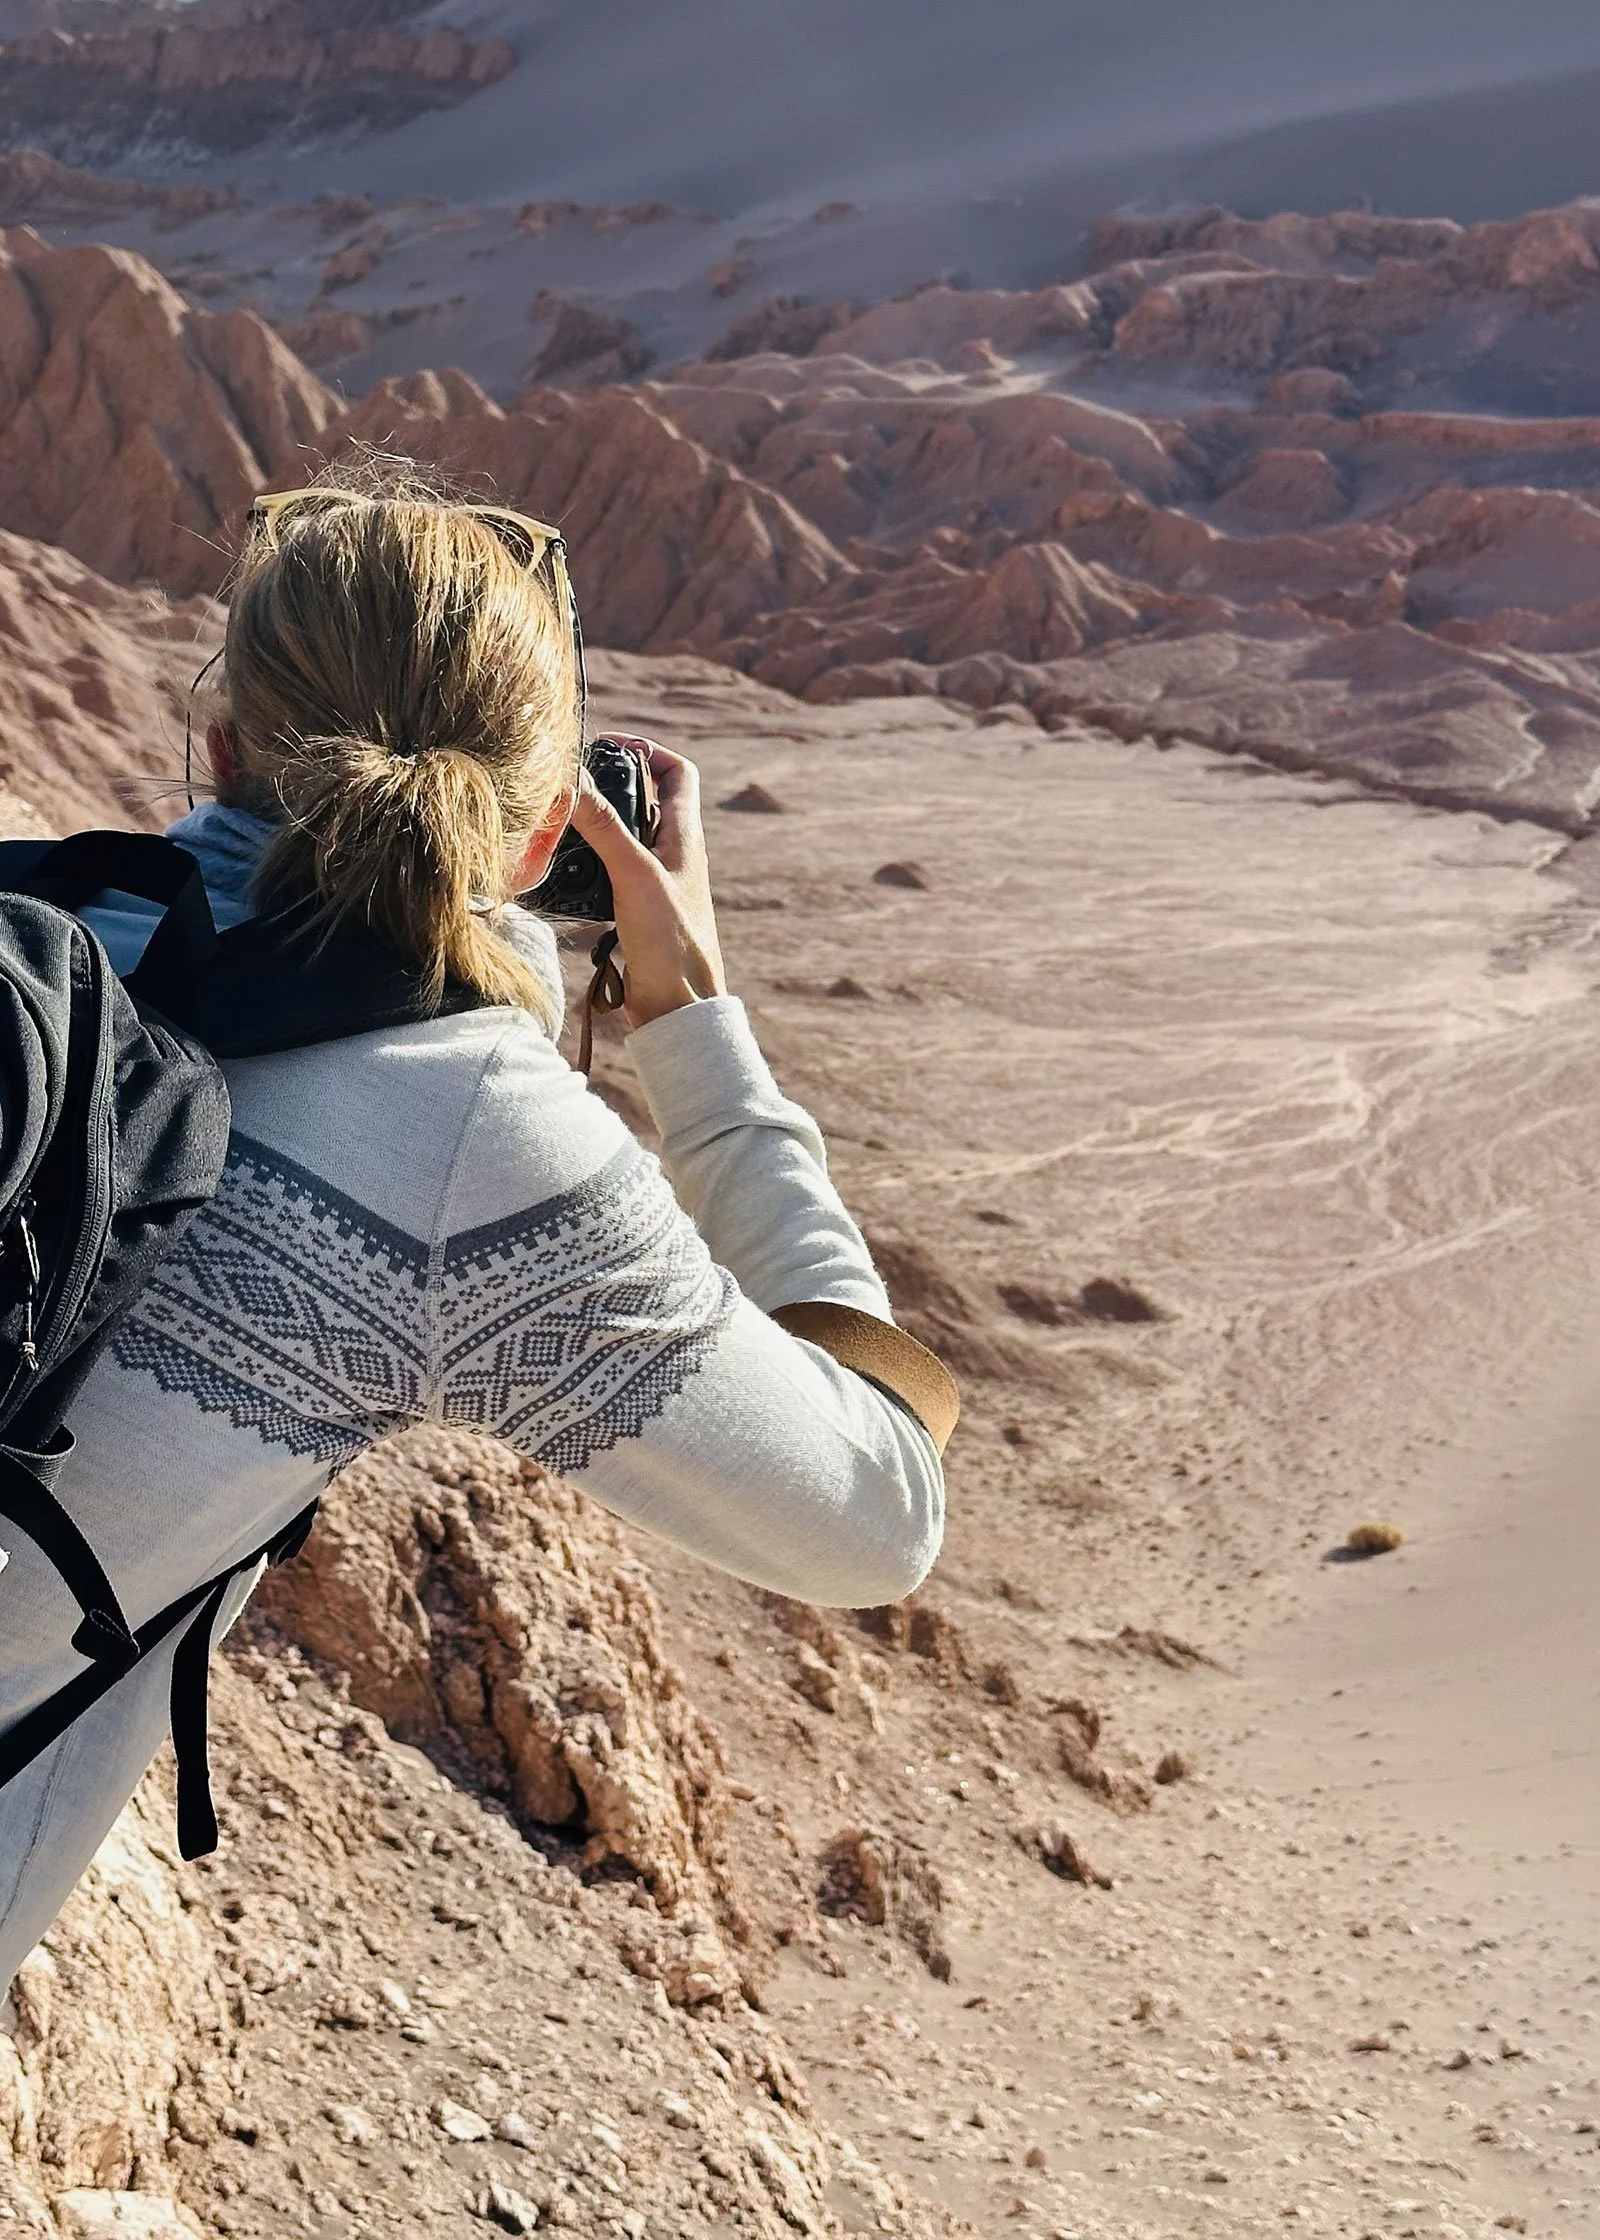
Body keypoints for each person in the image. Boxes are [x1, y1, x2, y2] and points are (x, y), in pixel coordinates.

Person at [0, 476, 951, 1991]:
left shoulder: (38, 945)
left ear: (223, 745)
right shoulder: (466, 1130)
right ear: (540, 838)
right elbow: (878, 1512)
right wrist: (696, 1022)